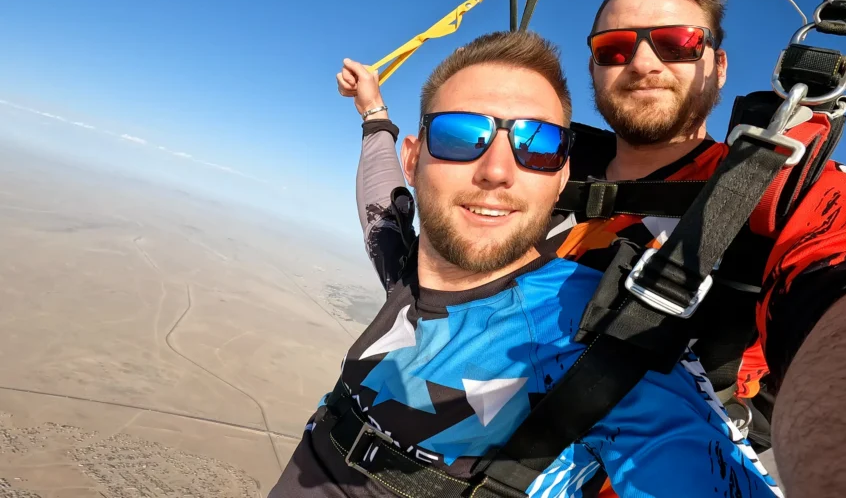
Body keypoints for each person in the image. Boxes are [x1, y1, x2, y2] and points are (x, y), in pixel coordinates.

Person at [344, 0, 846, 497]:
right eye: (616, 47)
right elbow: (401, 237)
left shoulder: (780, 193)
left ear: (718, 66)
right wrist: (376, 115)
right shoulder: (531, 163)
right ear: (594, 69)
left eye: (675, 43)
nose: (643, 62)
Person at [270, 30, 782, 498]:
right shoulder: (411, 273)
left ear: (561, 178)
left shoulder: (598, 336)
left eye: (536, 146)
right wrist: (374, 112)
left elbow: (689, 456)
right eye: (459, 135)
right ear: (415, 158)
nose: (497, 170)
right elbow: (381, 205)